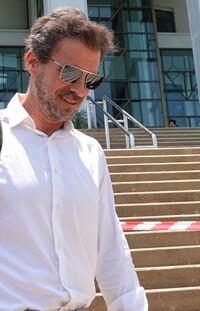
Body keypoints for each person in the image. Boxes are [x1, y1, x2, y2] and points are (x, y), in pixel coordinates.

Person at [0, 7, 148, 310]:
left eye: (91, 80)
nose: (80, 90)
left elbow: (110, 250)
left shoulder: (90, 152)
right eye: (69, 73)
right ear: (32, 62)